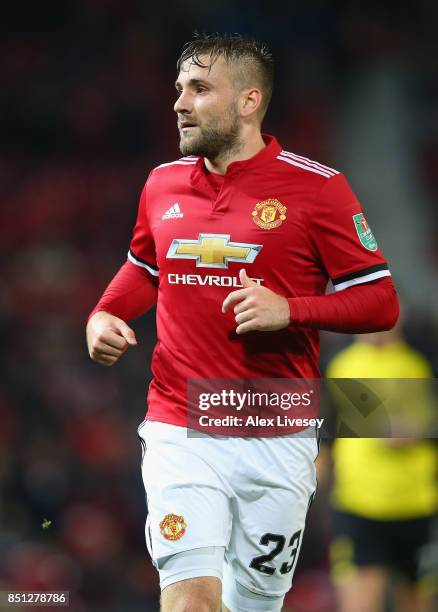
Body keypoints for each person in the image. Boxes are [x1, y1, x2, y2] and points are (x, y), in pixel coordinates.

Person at [86, 33, 399, 612]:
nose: (180, 102)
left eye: (200, 89)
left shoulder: (318, 188)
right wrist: (104, 312)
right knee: (190, 600)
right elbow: (143, 267)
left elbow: (380, 302)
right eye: (179, 88)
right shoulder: (162, 183)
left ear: (249, 101)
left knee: (253, 605)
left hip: (278, 431)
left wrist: (292, 308)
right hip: (182, 425)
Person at [325, 313, 438, 612]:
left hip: (417, 505)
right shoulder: (337, 363)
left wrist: (417, 431)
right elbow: (321, 434)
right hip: (358, 505)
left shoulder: (422, 362)